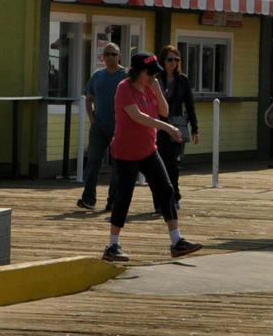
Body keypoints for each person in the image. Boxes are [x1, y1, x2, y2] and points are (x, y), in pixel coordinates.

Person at [102, 52, 202, 262]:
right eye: (150, 72)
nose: (153, 76)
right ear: (139, 71)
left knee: (166, 190)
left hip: (148, 149)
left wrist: (157, 89)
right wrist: (167, 128)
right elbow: (138, 117)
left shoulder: (150, 87)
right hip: (126, 152)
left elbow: (164, 111)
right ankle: (112, 245)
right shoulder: (124, 89)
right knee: (124, 196)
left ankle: (176, 240)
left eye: (156, 73)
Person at [76, 43, 127, 211]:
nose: (110, 57)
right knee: (93, 162)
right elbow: (89, 98)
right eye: (107, 54)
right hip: (99, 126)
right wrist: (92, 118)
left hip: (119, 127)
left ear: (119, 56)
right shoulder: (97, 75)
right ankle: (88, 198)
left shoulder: (125, 76)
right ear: (102, 57)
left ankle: (112, 201)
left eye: (114, 54)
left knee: (117, 166)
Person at [156, 45, 199, 211]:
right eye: (169, 59)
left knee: (173, 163)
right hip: (159, 125)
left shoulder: (183, 80)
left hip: (176, 125)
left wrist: (195, 129)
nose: (173, 63)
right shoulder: (156, 78)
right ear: (163, 61)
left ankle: (175, 196)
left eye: (176, 59)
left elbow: (189, 105)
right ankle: (159, 201)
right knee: (159, 164)